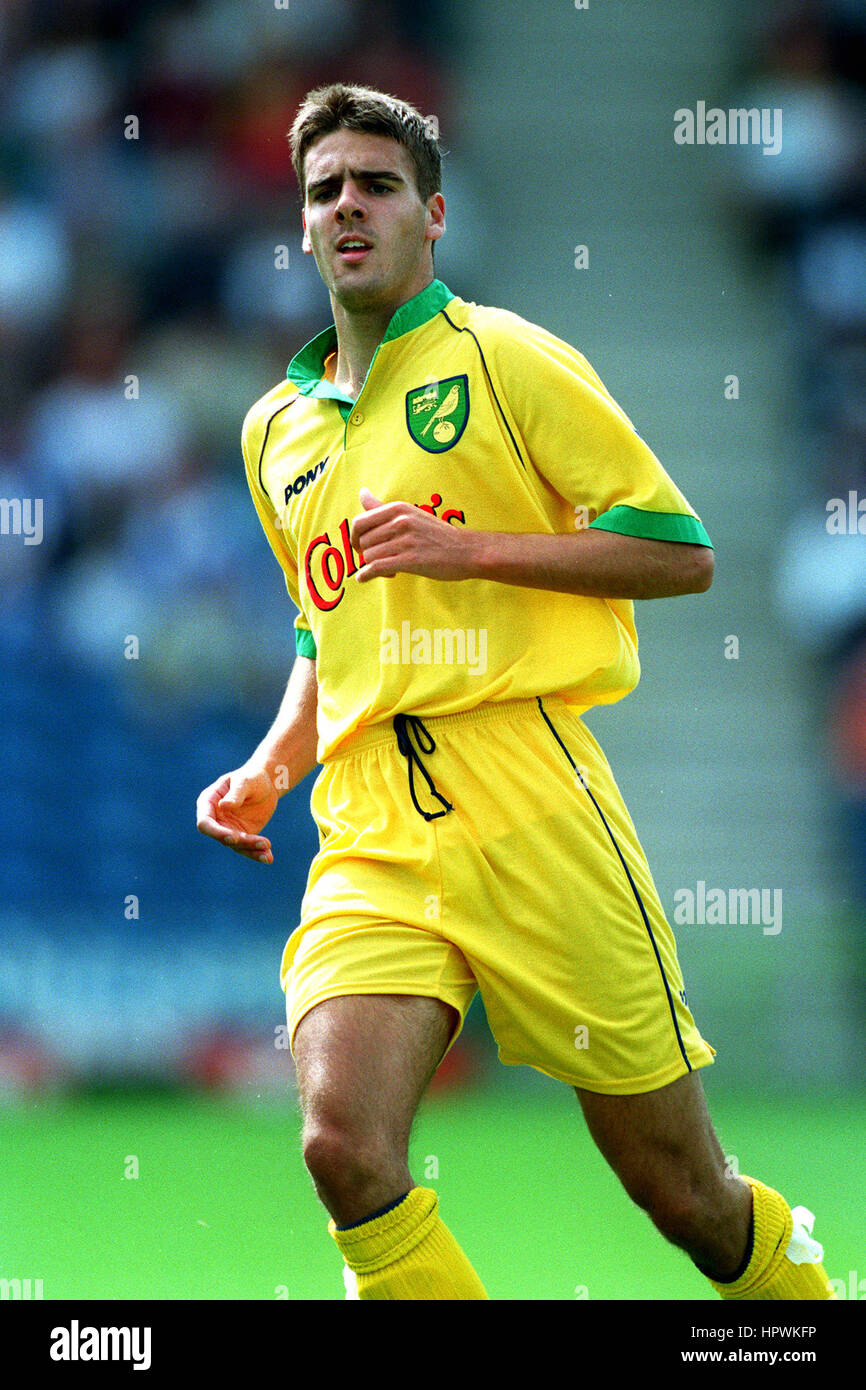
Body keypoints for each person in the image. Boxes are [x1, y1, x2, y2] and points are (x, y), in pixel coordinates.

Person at [196, 83, 835, 1301]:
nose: (348, 207)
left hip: (531, 794)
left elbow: (677, 549)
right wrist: (275, 763)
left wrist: (473, 548)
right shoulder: (273, 427)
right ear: (300, 225)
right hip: (373, 822)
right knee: (341, 1145)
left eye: (376, 185)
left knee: (683, 1197)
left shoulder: (506, 357)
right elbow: (321, 629)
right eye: (324, 188)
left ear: (432, 216)